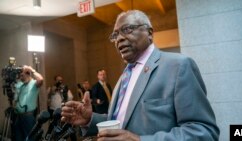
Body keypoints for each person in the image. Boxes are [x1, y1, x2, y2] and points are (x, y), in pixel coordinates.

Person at [61, 10, 220, 141]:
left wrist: (140, 140)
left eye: (127, 29)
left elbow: (204, 131)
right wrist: (89, 119)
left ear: (149, 33)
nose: (119, 39)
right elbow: (123, 123)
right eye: (115, 35)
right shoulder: (125, 75)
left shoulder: (178, 66)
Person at [13, 65, 43, 141]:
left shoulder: (33, 84)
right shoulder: (21, 84)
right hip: (18, 117)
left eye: (22, 76)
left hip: (28, 117)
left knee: (29, 139)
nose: (21, 78)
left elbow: (40, 79)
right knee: (18, 138)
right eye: (20, 76)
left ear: (28, 73)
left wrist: (31, 69)